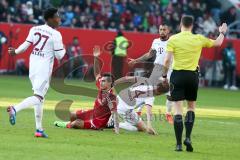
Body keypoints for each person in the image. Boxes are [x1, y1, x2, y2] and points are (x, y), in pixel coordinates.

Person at [163, 15, 227, 152]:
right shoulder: (198, 39)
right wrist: (222, 32)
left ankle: (179, 144)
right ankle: (188, 138)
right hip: (192, 76)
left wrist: (163, 75)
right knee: (191, 107)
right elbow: (217, 43)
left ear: (181, 24)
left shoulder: (173, 39)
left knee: (177, 109)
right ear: (192, 25)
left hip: (177, 75)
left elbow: (167, 61)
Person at [7, 8, 65, 138]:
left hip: (33, 66)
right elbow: (60, 56)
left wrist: (15, 52)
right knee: (38, 97)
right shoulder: (56, 34)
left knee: (39, 97)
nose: (59, 19)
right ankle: (15, 109)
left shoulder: (34, 29)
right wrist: (64, 49)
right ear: (50, 19)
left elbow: (25, 46)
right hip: (44, 69)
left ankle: (39, 129)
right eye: (57, 17)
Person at [54, 46, 120, 134]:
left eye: (103, 81)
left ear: (109, 83)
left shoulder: (111, 97)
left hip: (97, 122)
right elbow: (97, 73)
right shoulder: (102, 87)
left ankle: (67, 125)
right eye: (101, 80)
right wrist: (96, 57)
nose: (101, 82)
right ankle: (70, 123)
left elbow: (114, 113)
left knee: (76, 123)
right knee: (73, 115)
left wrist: (116, 130)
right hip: (92, 114)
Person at [128, 24, 174, 124]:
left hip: (169, 70)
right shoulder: (155, 42)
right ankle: (139, 111)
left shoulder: (173, 42)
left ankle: (168, 114)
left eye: (164, 29)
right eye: (160, 29)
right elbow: (149, 54)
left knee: (171, 94)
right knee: (148, 90)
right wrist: (135, 61)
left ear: (168, 31)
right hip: (157, 69)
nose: (162, 31)